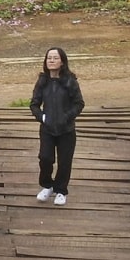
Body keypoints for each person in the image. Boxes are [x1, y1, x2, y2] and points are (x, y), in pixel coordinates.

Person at [29, 46, 85, 206]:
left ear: (62, 62)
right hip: (47, 129)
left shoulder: (69, 81)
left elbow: (79, 103)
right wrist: (42, 117)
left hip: (66, 130)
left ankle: (61, 190)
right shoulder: (42, 81)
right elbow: (34, 104)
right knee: (45, 158)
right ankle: (47, 185)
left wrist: (66, 117)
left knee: (65, 161)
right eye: (49, 58)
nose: (51, 61)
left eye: (55, 58)